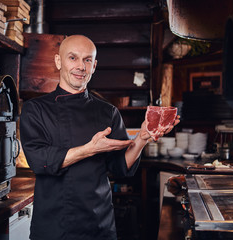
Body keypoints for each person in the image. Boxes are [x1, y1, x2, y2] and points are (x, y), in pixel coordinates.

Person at [20, 35, 179, 240]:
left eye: (87, 60)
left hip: (99, 225)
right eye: (73, 58)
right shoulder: (36, 109)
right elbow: (39, 161)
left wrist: (142, 138)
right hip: (54, 226)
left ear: (94, 66)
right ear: (58, 61)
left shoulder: (108, 112)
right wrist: (90, 149)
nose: (81, 66)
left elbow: (120, 167)